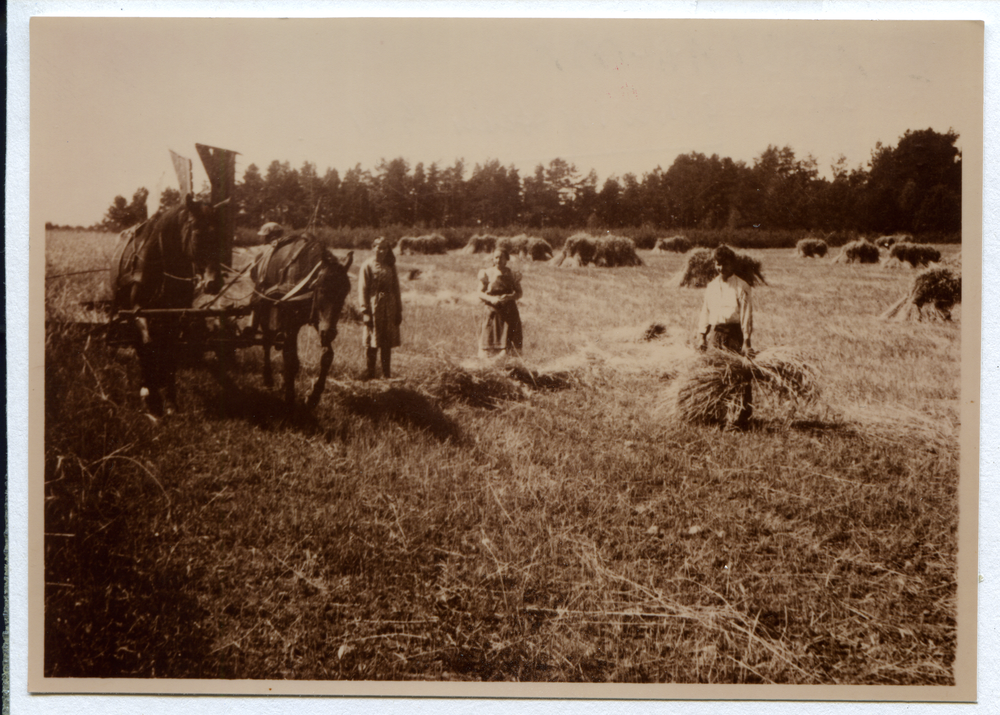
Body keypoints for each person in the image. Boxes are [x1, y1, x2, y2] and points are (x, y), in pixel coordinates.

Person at [697, 244, 754, 430]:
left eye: (725, 264)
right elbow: (705, 311)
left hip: (735, 335)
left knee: (738, 375)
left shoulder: (742, 286)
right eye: (717, 264)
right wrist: (702, 336)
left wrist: (746, 342)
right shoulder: (712, 286)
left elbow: (746, 316)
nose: (721, 268)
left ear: (733, 264)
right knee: (716, 375)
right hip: (716, 334)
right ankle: (718, 414)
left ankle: (741, 417)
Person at [359, 236, 402, 379]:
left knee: (386, 341)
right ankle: (370, 373)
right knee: (372, 340)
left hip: (389, 306)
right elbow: (363, 289)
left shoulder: (391, 265)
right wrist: (365, 311)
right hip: (374, 305)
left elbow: (396, 288)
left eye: (385, 248)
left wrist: (398, 310)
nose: (382, 251)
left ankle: (386, 374)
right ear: (373, 248)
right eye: (379, 247)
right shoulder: (367, 265)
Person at [477, 247, 523, 359]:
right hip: (493, 310)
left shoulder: (512, 274)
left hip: (509, 310)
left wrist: (510, 296)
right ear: (493, 259)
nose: (498, 260)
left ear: (506, 259)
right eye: (496, 257)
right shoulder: (487, 273)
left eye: (501, 257)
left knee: (509, 340)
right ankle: (490, 361)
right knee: (490, 337)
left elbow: (519, 293)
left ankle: (508, 362)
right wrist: (491, 299)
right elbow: (479, 292)